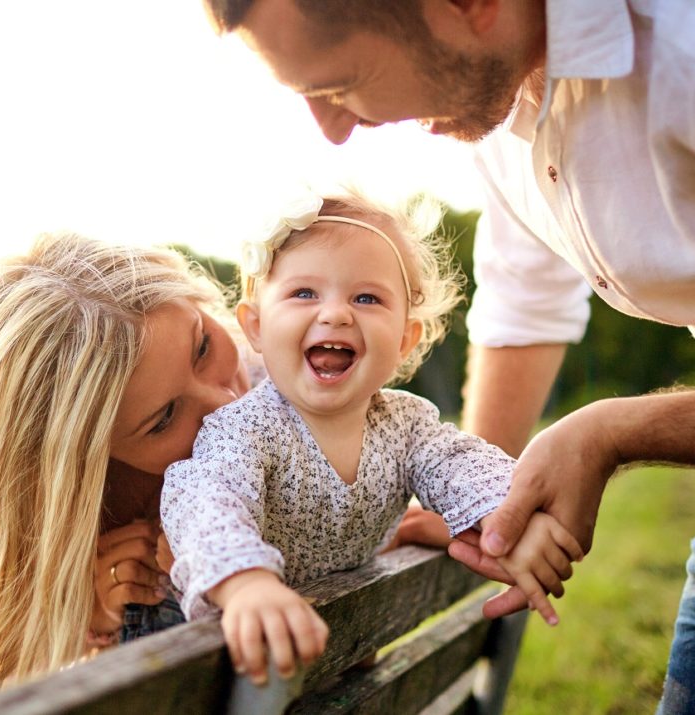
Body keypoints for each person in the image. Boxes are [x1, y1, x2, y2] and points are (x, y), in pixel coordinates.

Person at [200, 0, 695, 712]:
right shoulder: (499, 108)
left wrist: (615, 429)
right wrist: (486, 508)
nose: (334, 129)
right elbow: (525, 300)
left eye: (340, 83)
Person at [0, 230, 462, 712]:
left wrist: (388, 526)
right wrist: (91, 618)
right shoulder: (102, 539)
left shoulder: (290, 386)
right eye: (163, 418)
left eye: (203, 345)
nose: (225, 397)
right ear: (92, 463)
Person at [161, 190, 582, 686]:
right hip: (231, 662)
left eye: (366, 298)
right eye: (304, 293)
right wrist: (245, 582)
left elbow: (462, 464)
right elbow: (205, 501)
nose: (336, 314)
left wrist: (508, 516)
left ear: (404, 339)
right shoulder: (245, 430)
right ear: (255, 327)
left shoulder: (407, 426)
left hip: (332, 654)